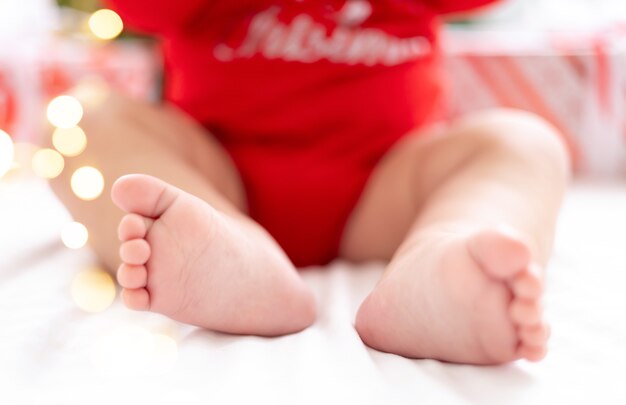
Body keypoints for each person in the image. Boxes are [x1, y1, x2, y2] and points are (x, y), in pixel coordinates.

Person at [50, 0, 570, 365]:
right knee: (82, 123)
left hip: (389, 194)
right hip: (214, 188)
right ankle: (232, 258)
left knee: (523, 142)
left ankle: (444, 261)